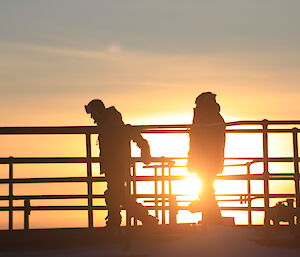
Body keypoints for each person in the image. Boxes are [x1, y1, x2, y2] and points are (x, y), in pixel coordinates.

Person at [85, 99, 158, 228]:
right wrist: (145, 151)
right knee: (116, 194)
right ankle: (128, 220)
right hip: (113, 166)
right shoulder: (110, 124)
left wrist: (145, 152)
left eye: (93, 113)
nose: (92, 117)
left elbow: (136, 137)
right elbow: (137, 137)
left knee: (117, 195)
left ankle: (142, 219)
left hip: (117, 166)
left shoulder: (113, 126)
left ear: (98, 112)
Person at [187, 92, 226, 225]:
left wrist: (192, 159)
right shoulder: (212, 116)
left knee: (206, 190)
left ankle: (213, 219)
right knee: (207, 189)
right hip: (208, 159)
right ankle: (212, 217)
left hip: (206, 160)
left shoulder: (206, 117)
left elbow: (197, 140)